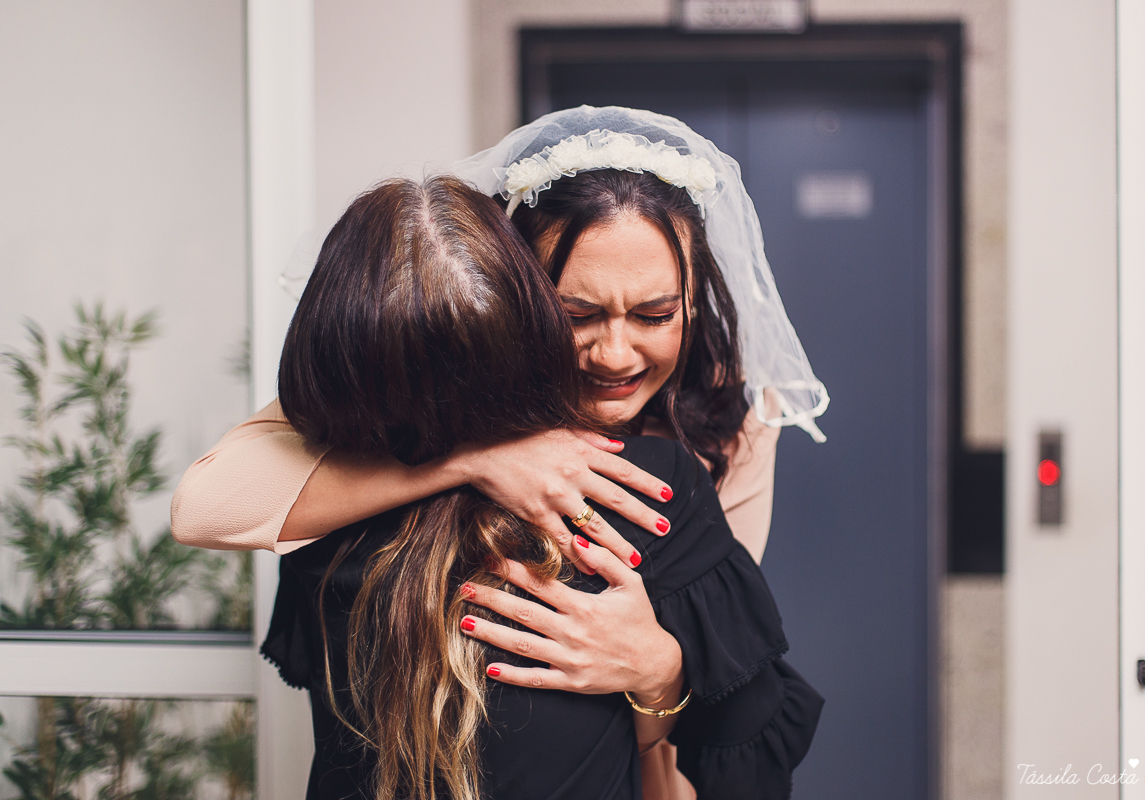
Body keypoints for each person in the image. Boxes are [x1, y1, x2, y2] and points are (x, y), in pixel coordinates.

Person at [171, 106, 829, 796]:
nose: (615, 353)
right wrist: (475, 459)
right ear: (517, 294)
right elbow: (206, 507)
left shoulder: (726, 428)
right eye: (577, 315)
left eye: (655, 314)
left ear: (693, 299)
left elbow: (721, 657)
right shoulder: (423, 400)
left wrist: (660, 668)